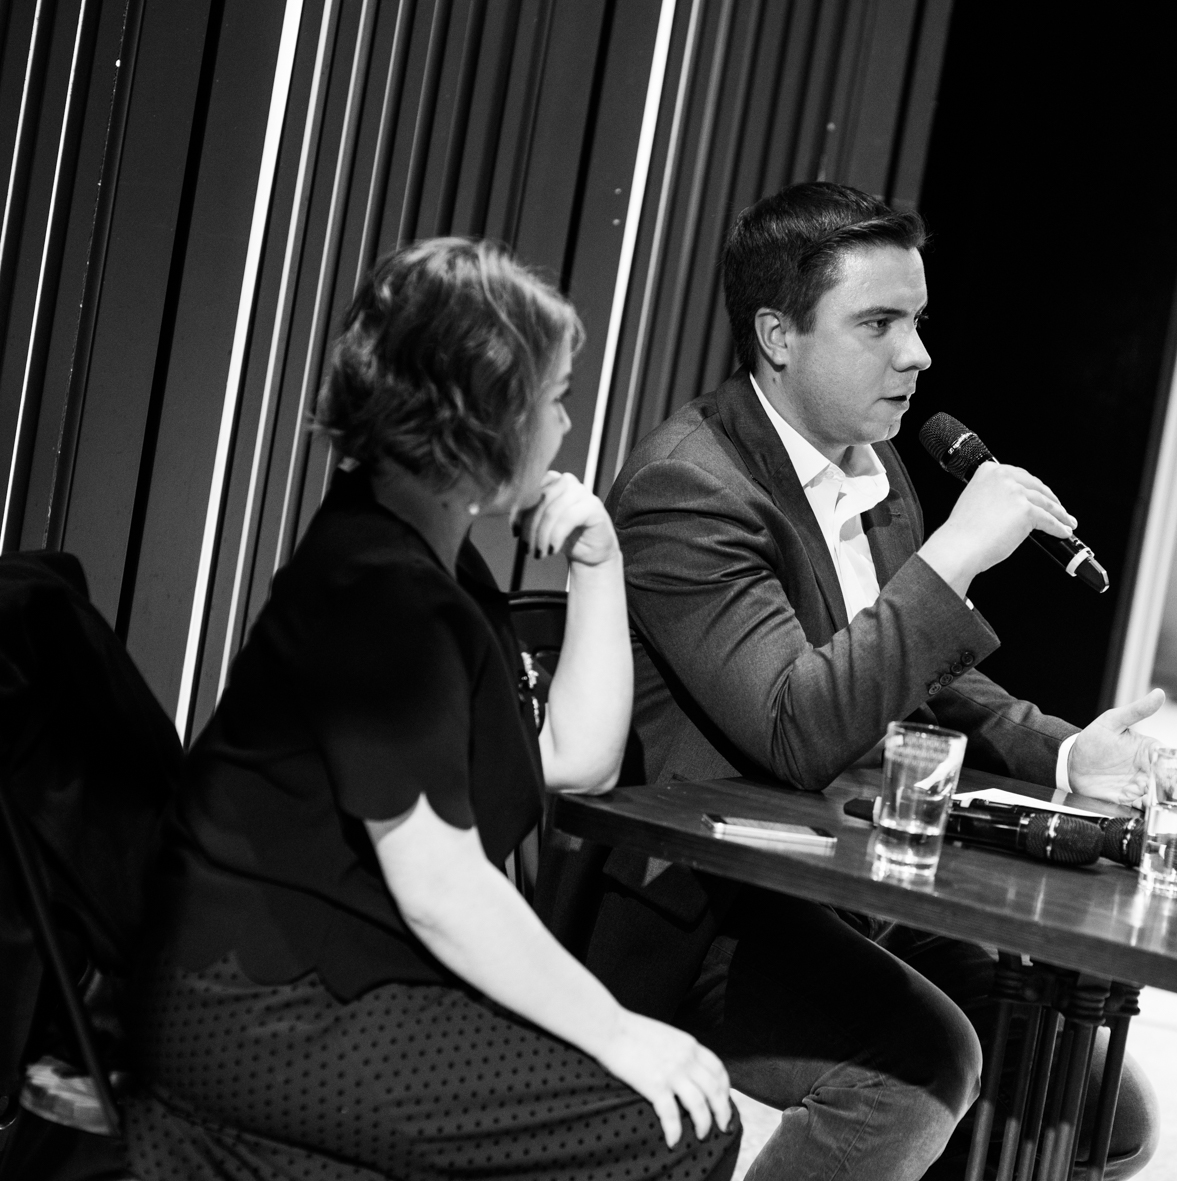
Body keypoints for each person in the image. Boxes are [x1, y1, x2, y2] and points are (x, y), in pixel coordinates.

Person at [124, 239, 739, 1181]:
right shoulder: (381, 592)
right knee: (689, 1132)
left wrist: (599, 561)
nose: (565, 424)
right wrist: (619, 1031)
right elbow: (441, 888)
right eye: (552, 399)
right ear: (480, 418)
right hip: (266, 1004)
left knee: (688, 1111)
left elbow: (577, 758)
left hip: (337, 978)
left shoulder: (428, 556)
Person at [593, 182, 1161, 1179]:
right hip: (725, 903)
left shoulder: (872, 461)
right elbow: (796, 726)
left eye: (918, 321)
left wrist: (1068, 752)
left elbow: (915, 675)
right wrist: (953, 558)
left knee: (1094, 1102)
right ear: (777, 335)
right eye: (878, 323)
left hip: (859, 880)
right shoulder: (690, 488)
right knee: (917, 1074)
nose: (918, 354)